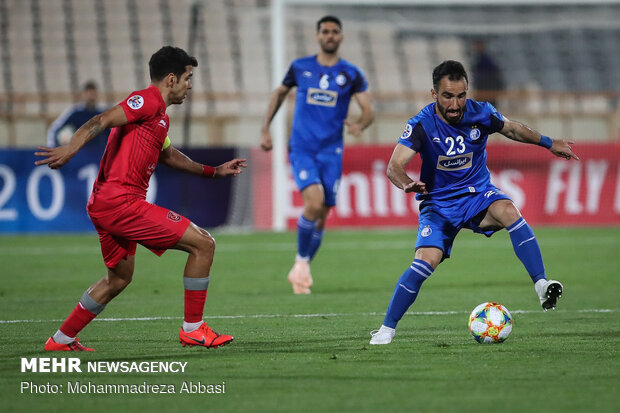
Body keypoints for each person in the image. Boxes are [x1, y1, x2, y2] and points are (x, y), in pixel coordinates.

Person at [35, 46, 247, 351]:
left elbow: (169, 156)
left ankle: (60, 340)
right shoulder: (146, 100)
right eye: (188, 78)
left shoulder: (159, 118)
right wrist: (71, 147)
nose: (190, 86)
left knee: (118, 280)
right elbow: (102, 119)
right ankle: (193, 329)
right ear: (171, 79)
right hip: (122, 203)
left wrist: (214, 171)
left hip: (104, 205)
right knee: (203, 244)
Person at [369, 60, 579, 345]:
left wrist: (548, 142)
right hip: (439, 205)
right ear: (434, 94)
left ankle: (541, 284)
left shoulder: (481, 113)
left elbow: (513, 129)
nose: (455, 104)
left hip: (477, 195)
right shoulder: (420, 124)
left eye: (460, 95)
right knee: (424, 262)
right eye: (447, 96)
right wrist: (406, 182)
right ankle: (386, 329)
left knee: (508, 210)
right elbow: (394, 165)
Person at [260, 15, 374, 294]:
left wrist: (360, 124)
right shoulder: (300, 67)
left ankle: (302, 268)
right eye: (325, 31)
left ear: (341, 36)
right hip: (302, 148)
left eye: (335, 31)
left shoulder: (351, 73)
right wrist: (265, 129)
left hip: (332, 151)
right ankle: (300, 262)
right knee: (314, 203)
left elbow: (368, 109)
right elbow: (279, 93)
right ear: (317, 36)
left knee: (322, 215)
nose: (330, 36)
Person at [47, 80, 109, 150]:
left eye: (93, 93)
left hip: (99, 152)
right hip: (81, 152)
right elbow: (56, 128)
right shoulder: (76, 112)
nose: (91, 96)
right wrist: (54, 146)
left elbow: (110, 134)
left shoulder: (103, 113)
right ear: (84, 94)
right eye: (89, 93)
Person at [471, 40, 504, 107]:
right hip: (483, 87)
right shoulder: (478, 58)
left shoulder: (486, 59)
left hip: (487, 87)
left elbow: (493, 73)